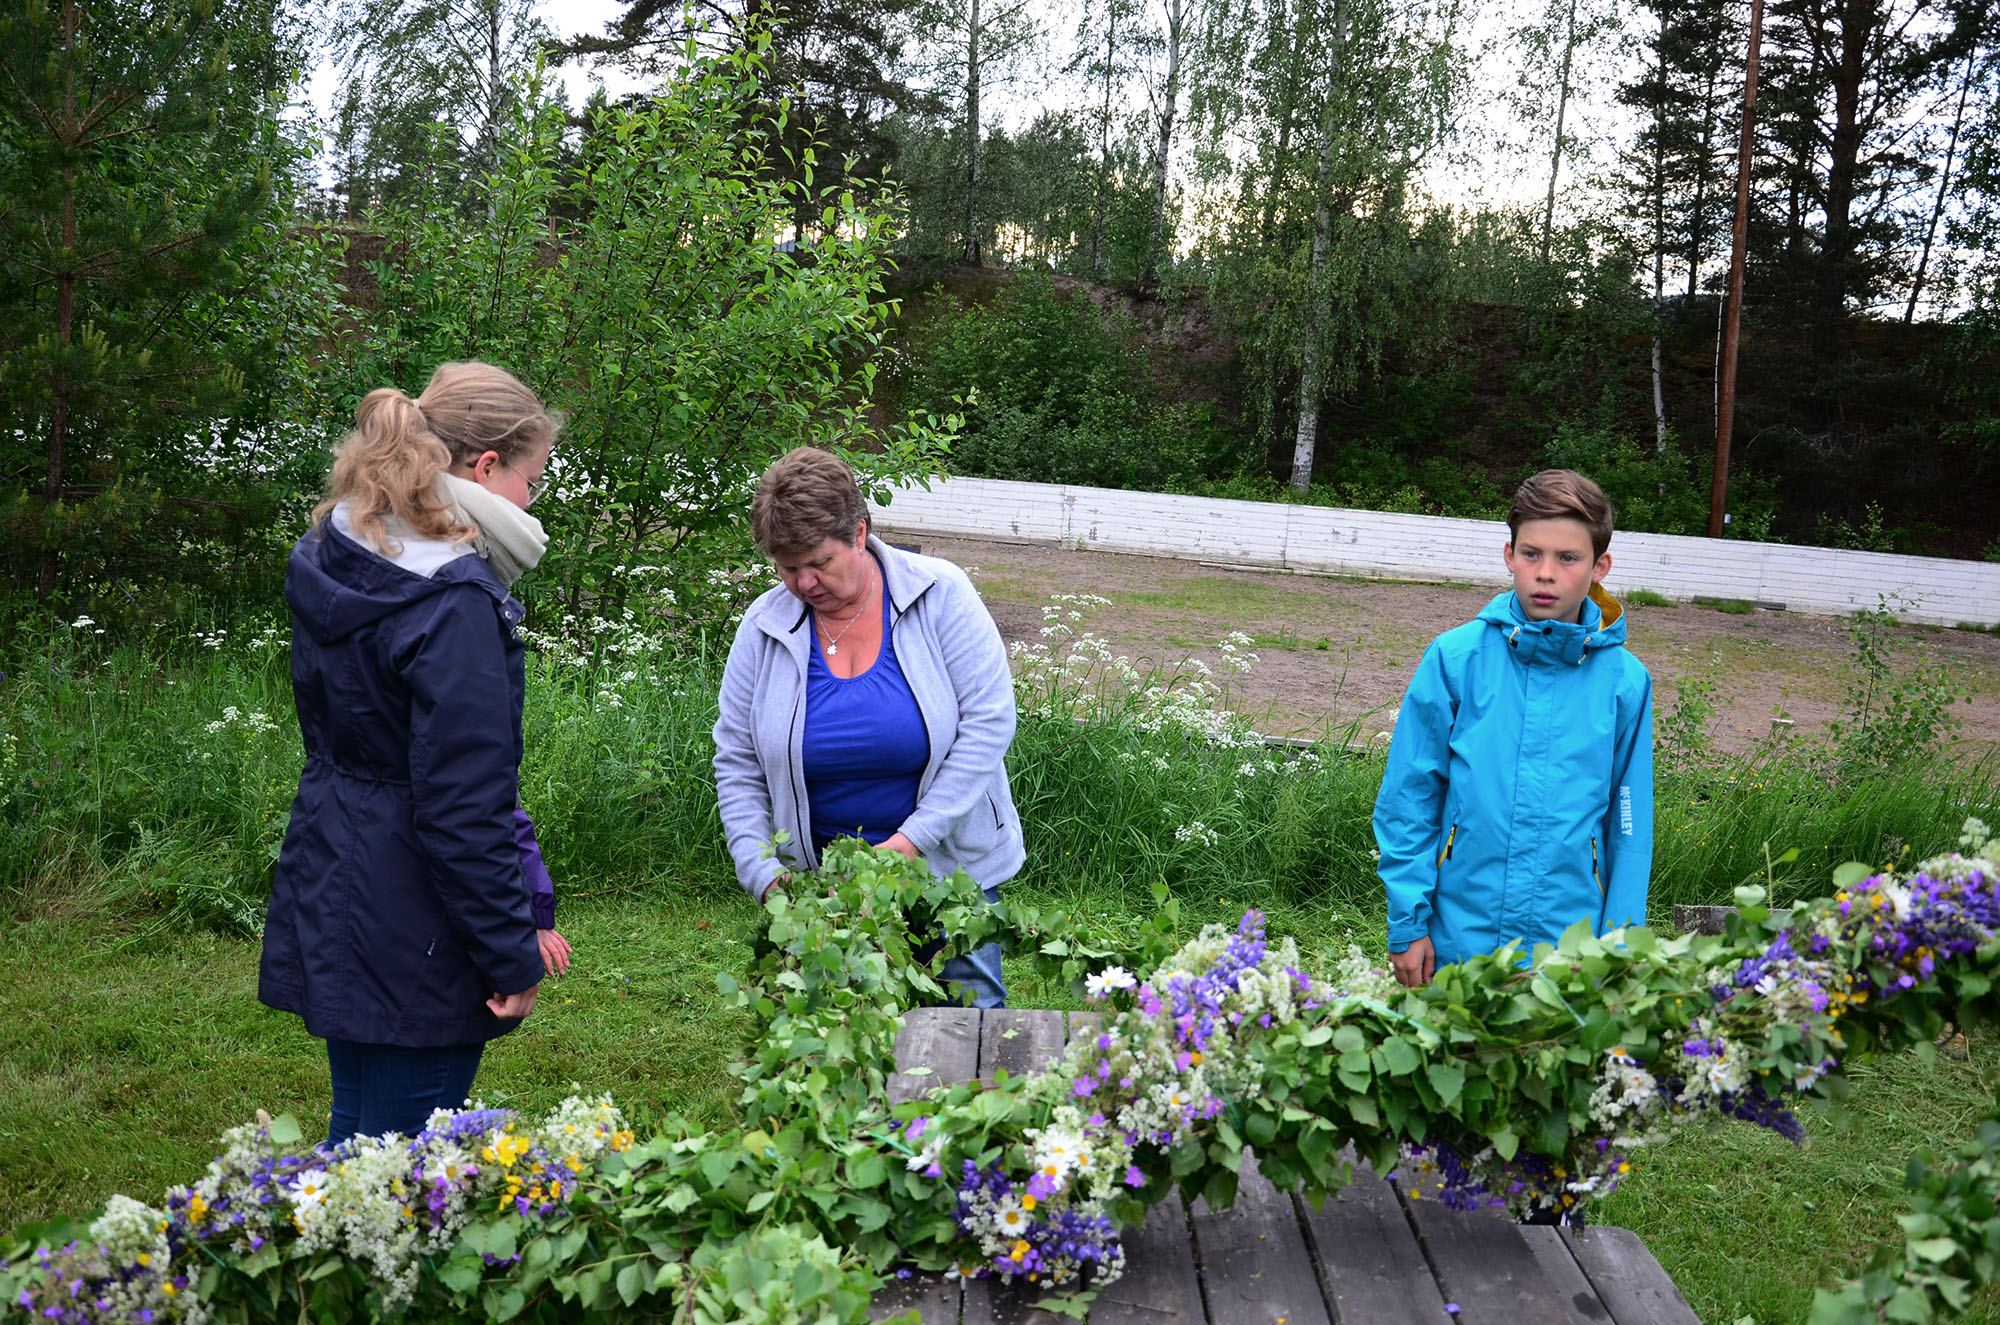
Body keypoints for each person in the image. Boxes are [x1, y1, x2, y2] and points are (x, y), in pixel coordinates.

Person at [260, 361, 569, 1147]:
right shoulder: (453, 599)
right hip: (417, 917)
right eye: (532, 478)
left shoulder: (342, 551)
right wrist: (509, 952)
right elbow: (463, 807)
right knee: (402, 1174)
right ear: (487, 467)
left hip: (339, 872)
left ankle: (309, 1267)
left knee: (355, 1146)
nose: (534, 502)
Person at [713, 446, 1022, 1008]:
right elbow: (737, 761)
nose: (804, 582)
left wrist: (907, 846)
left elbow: (988, 726)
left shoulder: (940, 594)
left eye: (819, 562)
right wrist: (764, 873)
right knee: (839, 1045)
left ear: (859, 532)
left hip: (949, 872)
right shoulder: (763, 628)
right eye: (787, 568)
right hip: (822, 892)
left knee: (971, 1030)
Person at [1373, 468, 1654, 992]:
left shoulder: (1626, 682)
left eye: (1568, 558)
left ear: (1600, 567)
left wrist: (1619, 944)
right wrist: (1409, 923)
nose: (1545, 573)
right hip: (1457, 938)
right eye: (1532, 554)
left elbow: (1630, 825)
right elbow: (1409, 797)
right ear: (1509, 556)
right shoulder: (1456, 660)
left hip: (1571, 946)